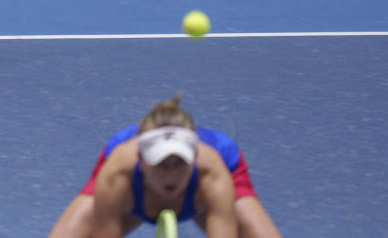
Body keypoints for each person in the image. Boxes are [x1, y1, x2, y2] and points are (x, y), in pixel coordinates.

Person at [48, 96, 282, 238]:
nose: (170, 175)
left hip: (207, 190)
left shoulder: (214, 175)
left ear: (195, 157)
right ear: (140, 158)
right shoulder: (117, 174)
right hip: (131, 193)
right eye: (161, 164)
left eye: (179, 163)